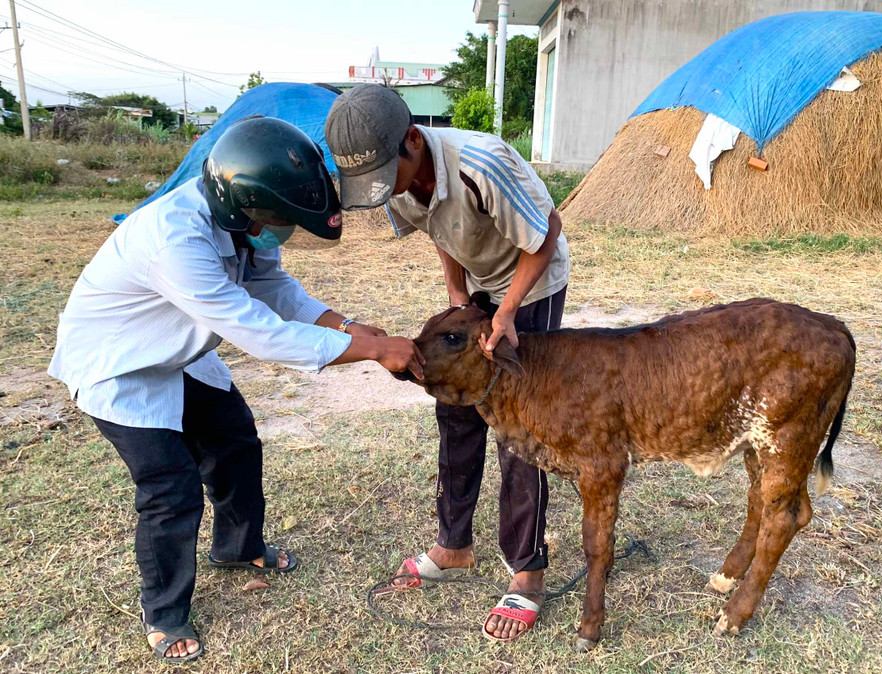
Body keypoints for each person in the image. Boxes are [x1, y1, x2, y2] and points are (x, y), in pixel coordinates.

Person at [48, 117, 425, 664]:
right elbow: (259, 331)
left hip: (178, 349)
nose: (281, 230)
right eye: (277, 219)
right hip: (121, 362)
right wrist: (372, 350)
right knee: (169, 487)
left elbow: (274, 288)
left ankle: (238, 548)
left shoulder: (242, 220)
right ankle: (164, 612)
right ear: (245, 204)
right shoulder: (176, 240)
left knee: (236, 443)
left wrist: (348, 326)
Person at [326, 85, 569, 642]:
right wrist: (459, 297)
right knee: (454, 405)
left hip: (530, 281)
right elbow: (440, 230)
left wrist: (506, 312)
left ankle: (527, 569)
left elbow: (547, 234)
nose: (388, 188)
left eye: (390, 173)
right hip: (480, 281)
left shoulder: (480, 166)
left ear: (413, 139)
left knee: (519, 426)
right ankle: (454, 545)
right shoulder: (394, 181)